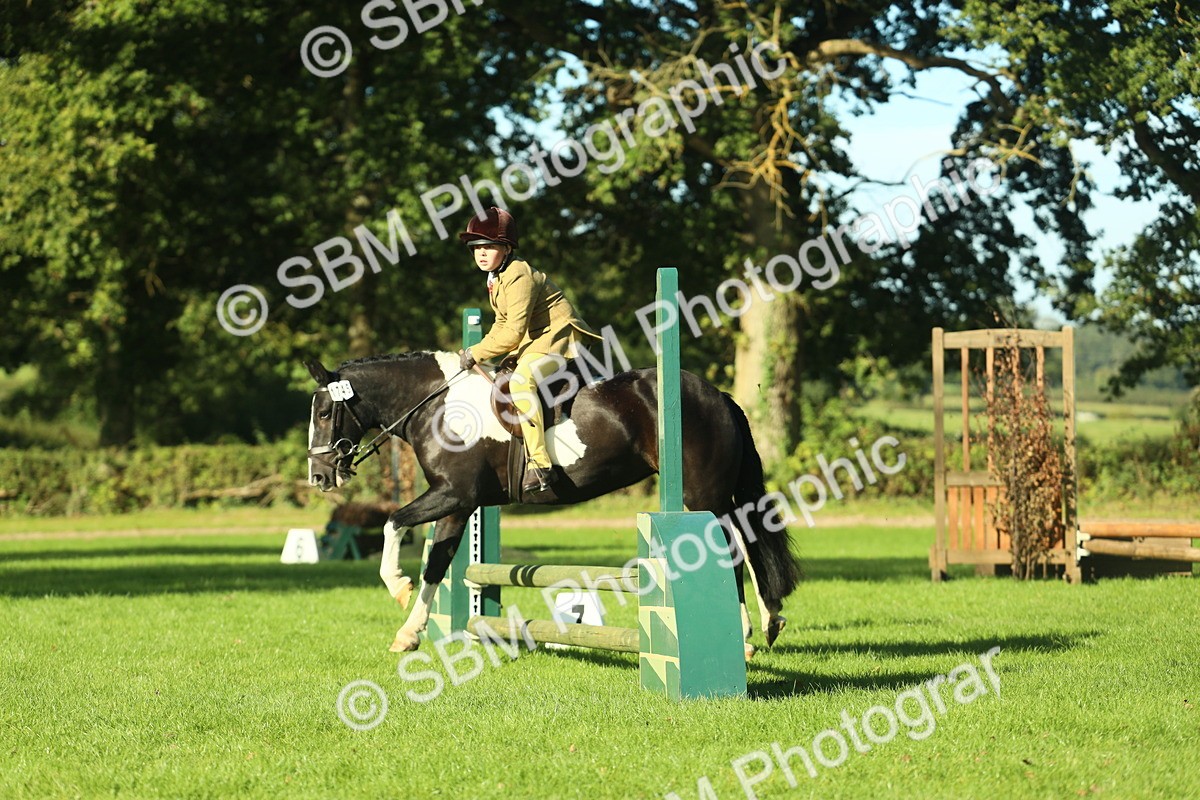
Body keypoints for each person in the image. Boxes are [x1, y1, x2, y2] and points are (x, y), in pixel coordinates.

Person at [457, 207, 600, 493]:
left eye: (489, 247)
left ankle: (540, 464)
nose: (481, 254)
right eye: (476, 248)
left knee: (522, 382)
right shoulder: (497, 277)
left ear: (507, 248)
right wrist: (477, 349)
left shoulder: (518, 274)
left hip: (558, 339)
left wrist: (477, 353)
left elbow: (512, 332)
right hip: (535, 339)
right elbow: (501, 323)